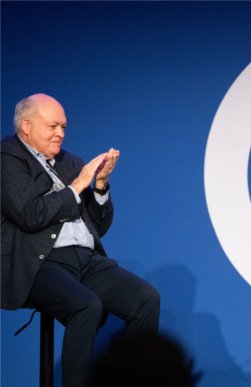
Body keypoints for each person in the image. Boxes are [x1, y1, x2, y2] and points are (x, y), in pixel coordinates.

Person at [1, 93, 160, 387]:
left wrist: (99, 186)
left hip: (85, 260)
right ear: (26, 126)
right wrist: (76, 187)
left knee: (145, 299)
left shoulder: (70, 161)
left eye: (63, 127)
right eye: (52, 126)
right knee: (86, 306)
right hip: (40, 263)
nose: (60, 133)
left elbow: (98, 226)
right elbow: (29, 215)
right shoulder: (7, 158)